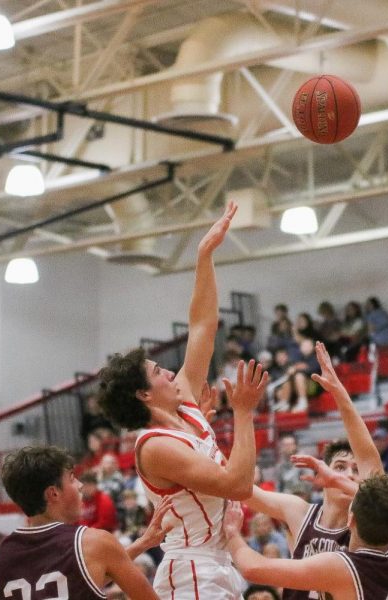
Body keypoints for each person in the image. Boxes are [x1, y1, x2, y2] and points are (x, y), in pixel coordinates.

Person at [97, 204, 270, 598]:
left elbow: (203, 325)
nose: (170, 373)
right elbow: (238, 485)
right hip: (192, 567)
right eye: (158, 372)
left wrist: (204, 256)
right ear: (143, 394)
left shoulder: (186, 405)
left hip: (216, 562)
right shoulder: (155, 447)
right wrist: (242, 412)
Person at [242, 341, 384, 600]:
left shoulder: (369, 528)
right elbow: (238, 489)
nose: (348, 474)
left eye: (355, 470)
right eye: (340, 467)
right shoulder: (300, 512)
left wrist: (340, 393)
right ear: (323, 474)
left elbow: (370, 459)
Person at [0, 446, 169, 600]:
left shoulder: (1, 555)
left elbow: (75, 581)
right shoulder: (93, 542)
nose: (79, 485)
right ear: (53, 493)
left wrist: (143, 543)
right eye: (71, 478)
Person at [224, 473, 388, 600]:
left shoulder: (343, 567)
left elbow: (254, 569)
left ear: (350, 520)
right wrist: (340, 482)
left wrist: (232, 534)